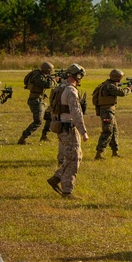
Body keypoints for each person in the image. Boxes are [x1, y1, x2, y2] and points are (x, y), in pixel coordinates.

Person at [46, 64, 88, 198]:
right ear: (78, 76)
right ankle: (67, 191)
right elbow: (77, 113)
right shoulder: (71, 91)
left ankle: (56, 178)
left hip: (60, 126)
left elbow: (52, 109)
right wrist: (83, 131)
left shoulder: (59, 88)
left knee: (74, 156)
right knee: (74, 159)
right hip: (69, 128)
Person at [93, 69, 132, 159]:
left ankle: (115, 152)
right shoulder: (109, 86)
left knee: (114, 131)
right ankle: (99, 154)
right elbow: (122, 93)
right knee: (108, 131)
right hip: (107, 112)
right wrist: (129, 88)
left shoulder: (105, 84)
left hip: (108, 111)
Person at [18, 62, 56, 145]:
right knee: (38, 121)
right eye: (50, 71)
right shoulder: (37, 76)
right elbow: (47, 85)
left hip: (40, 100)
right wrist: (54, 79)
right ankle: (23, 138)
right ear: (47, 70)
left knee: (50, 117)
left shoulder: (39, 75)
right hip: (36, 101)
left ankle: (44, 136)